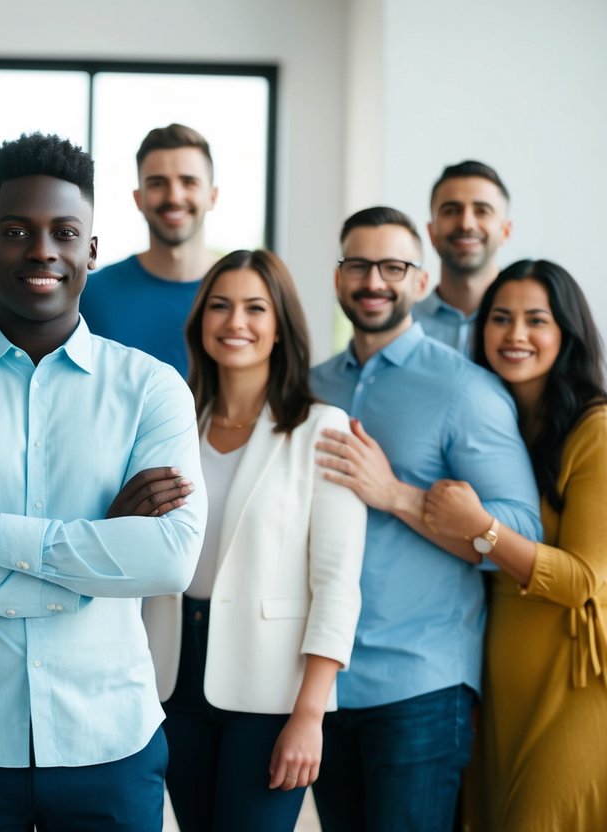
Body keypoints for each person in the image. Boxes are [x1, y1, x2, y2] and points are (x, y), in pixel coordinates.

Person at [0, 132, 205, 831]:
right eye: (17, 231)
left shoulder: (151, 390)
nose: (41, 250)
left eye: (64, 232)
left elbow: (167, 562)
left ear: (90, 249)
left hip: (110, 738)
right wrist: (97, 555)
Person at [308, 207, 542, 832]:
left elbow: (523, 531)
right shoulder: (311, 387)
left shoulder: (467, 391)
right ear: (338, 279)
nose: (373, 281)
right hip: (322, 683)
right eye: (358, 265)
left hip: (421, 684)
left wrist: (397, 494)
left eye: (393, 266)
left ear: (420, 280)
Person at [143, 249, 366, 830]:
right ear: (200, 323)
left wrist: (310, 713)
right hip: (174, 675)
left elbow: (337, 586)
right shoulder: (173, 427)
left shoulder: (323, 428)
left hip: (273, 690)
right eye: (219, 306)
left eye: (253, 308)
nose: (234, 322)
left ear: (279, 326)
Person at [418, 260, 607, 830]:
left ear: (567, 331)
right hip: (502, 671)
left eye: (536, 320)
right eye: (501, 318)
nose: (515, 335)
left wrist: (480, 525)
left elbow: (582, 581)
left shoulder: (601, 426)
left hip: (578, 671)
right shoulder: (492, 419)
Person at [80, 123, 220, 377]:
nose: (174, 197)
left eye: (189, 182)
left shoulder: (243, 298)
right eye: (157, 183)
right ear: (139, 198)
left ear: (212, 196)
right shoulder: (91, 294)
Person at [413, 160, 512, 354]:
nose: (466, 224)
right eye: (451, 211)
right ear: (431, 232)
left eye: (482, 211)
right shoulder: (402, 327)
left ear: (505, 232)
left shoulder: (527, 331)